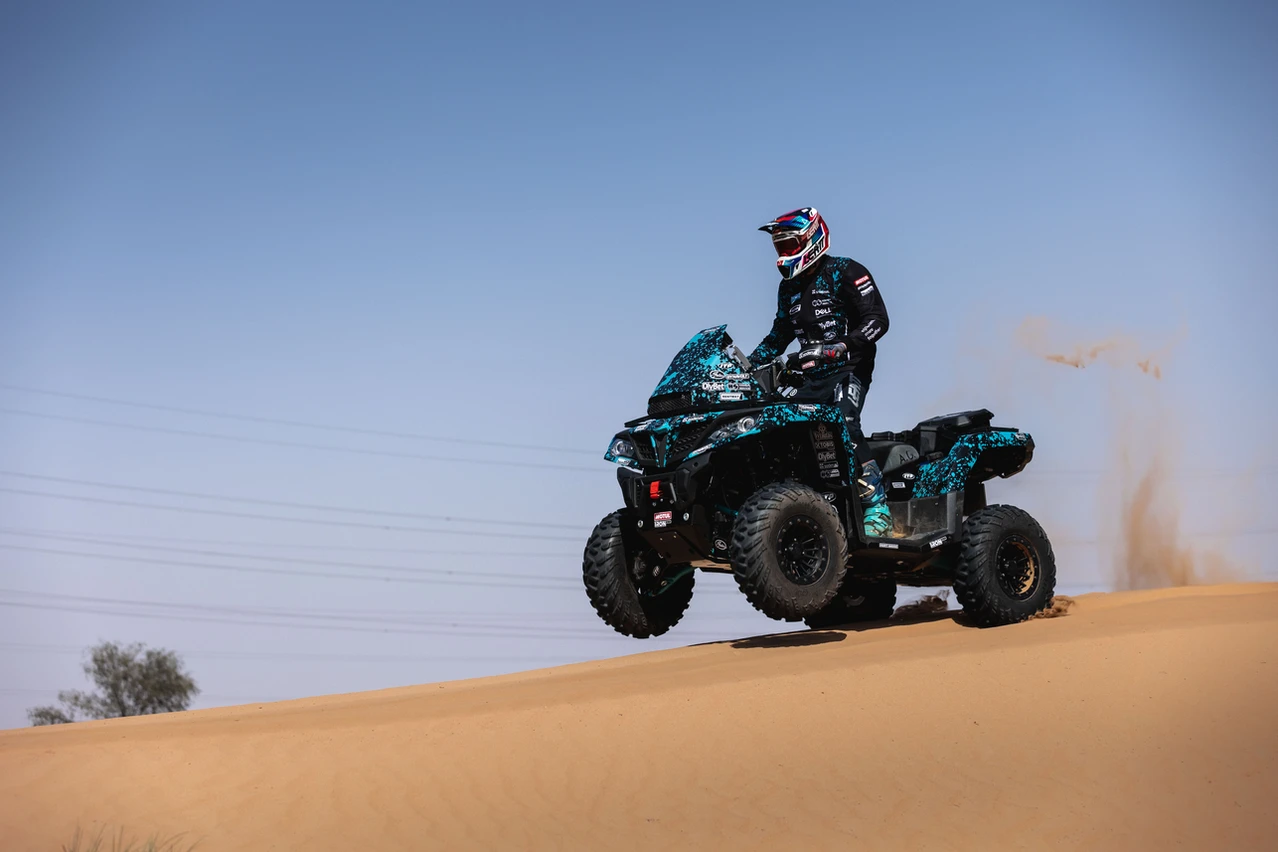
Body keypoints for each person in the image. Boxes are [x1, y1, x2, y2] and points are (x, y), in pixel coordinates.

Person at [747, 207, 894, 537]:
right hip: (810, 376)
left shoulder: (846, 270)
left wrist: (840, 346)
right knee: (781, 429)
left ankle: (878, 508)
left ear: (811, 239)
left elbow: (878, 320)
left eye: (789, 245)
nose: (783, 253)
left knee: (843, 420)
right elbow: (778, 336)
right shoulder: (788, 288)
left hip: (850, 367)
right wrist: (746, 365)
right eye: (779, 247)